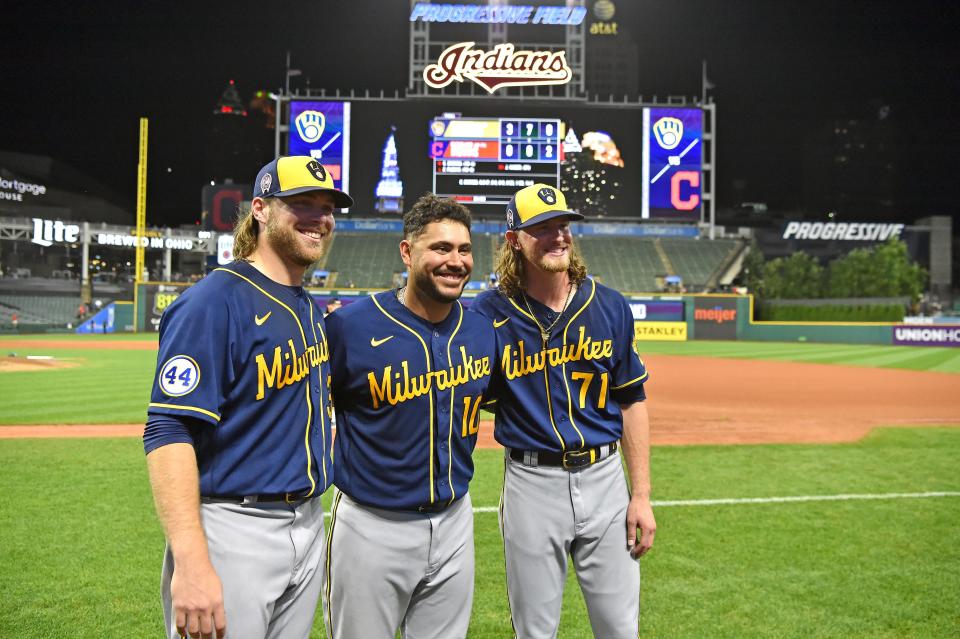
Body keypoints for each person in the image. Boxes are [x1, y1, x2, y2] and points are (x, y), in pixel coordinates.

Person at [143, 156, 352, 639]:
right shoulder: (213, 301)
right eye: (301, 203)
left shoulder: (306, 304)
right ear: (260, 209)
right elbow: (169, 429)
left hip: (305, 522)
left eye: (326, 207)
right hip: (234, 526)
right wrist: (191, 561)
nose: (318, 218)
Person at [470, 183, 656, 639]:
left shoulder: (608, 305)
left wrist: (641, 496)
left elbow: (632, 400)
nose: (557, 236)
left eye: (562, 225)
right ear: (514, 239)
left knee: (620, 629)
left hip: (606, 480)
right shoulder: (487, 313)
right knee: (534, 631)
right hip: (532, 484)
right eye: (542, 228)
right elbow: (469, 395)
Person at [321, 194, 496, 639]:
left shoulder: (479, 330)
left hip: (456, 520)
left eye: (463, 249)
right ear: (407, 252)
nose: (454, 261)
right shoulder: (351, 327)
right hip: (372, 526)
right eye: (440, 248)